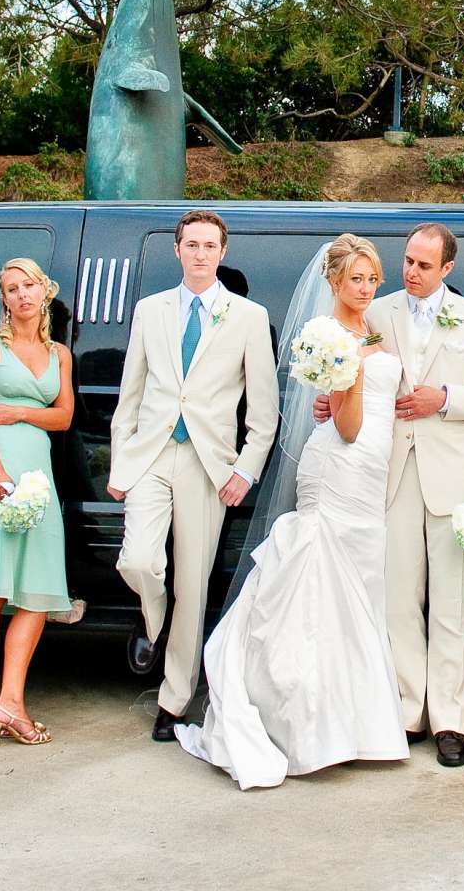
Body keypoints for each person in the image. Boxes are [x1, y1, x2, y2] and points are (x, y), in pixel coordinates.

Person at [176, 235, 409, 788]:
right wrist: (348, 380)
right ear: (333, 282)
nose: (368, 287)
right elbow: (348, 428)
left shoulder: (369, 332)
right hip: (342, 468)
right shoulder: (334, 340)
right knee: (322, 591)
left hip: (369, 473)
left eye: (373, 277)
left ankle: (352, 724)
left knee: (358, 589)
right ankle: (308, 726)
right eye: (357, 278)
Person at [111, 209, 278, 741]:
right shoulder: (149, 310)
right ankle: (151, 619)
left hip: (210, 465)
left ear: (222, 253)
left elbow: (265, 412)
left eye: (210, 246)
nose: (200, 253)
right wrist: (121, 461)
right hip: (151, 456)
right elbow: (130, 395)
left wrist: (245, 471)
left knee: (193, 583)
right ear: (177, 250)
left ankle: (174, 697)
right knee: (139, 560)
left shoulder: (248, 317)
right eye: (192, 245)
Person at [366, 223, 464, 767]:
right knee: (399, 599)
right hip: (394, 472)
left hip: (454, 478)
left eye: (424, 265)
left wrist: (444, 398)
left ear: (447, 268)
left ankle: (451, 720)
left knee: (453, 603)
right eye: (407, 261)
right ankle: (408, 710)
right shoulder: (379, 314)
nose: (411, 272)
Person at [0, 256, 75, 746]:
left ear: (44, 292)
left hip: (38, 479)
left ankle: (11, 698)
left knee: (38, 591)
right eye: (11, 288)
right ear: (2, 299)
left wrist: (23, 411)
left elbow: (64, 417)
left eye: (29, 286)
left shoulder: (59, 354)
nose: (21, 295)